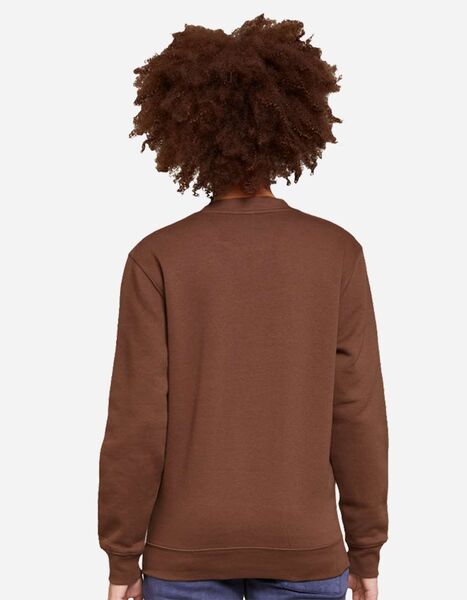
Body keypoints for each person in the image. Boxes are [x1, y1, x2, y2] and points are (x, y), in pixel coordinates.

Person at [97, 14, 389, 600]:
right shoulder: (336, 252)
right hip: (306, 548)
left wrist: (122, 559)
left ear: (184, 129)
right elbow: (357, 413)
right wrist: (365, 550)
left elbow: (138, 420)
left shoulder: (157, 257)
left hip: (184, 554)